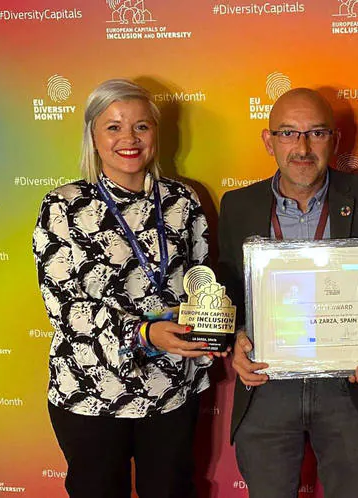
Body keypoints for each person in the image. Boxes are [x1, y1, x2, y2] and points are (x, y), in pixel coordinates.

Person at [33, 78, 221, 498]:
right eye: (113, 127)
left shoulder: (183, 200)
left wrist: (211, 329)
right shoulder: (63, 205)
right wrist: (142, 332)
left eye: (141, 126)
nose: (129, 139)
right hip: (91, 388)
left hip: (172, 385)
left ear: (156, 133)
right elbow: (62, 307)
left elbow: (203, 280)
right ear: (93, 137)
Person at [217, 88, 358, 498]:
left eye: (316, 133)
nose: (302, 147)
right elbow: (227, 295)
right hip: (267, 382)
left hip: (347, 386)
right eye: (288, 133)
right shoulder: (237, 205)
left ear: (335, 139)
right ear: (269, 141)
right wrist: (236, 341)